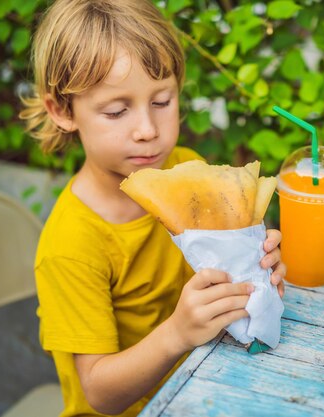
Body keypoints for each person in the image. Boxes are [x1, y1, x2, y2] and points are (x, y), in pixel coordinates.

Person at [19, 0, 286, 416]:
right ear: (61, 110)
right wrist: (178, 333)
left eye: (162, 101)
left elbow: (222, 272)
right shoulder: (71, 245)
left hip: (209, 384)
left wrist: (257, 275)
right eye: (116, 111)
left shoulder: (184, 168)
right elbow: (100, 394)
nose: (147, 130)